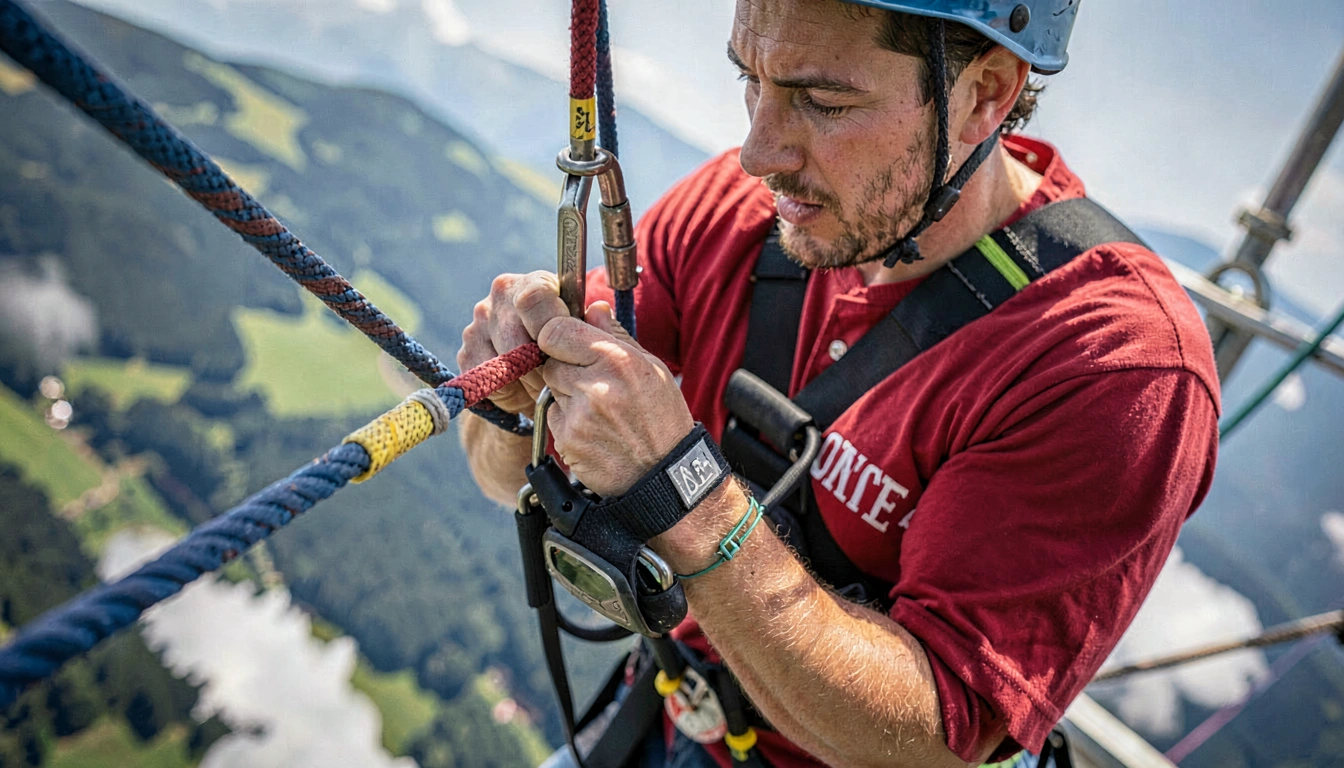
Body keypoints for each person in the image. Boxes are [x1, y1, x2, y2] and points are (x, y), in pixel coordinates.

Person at [457, 0, 1221, 765]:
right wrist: (513, 395)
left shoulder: (1113, 364)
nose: (758, 152)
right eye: (748, 80)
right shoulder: (739, 210)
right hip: (660, 716)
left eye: (823, 101)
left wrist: (675, 486)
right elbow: (499, 474)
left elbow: (936, 743)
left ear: (984, 94)